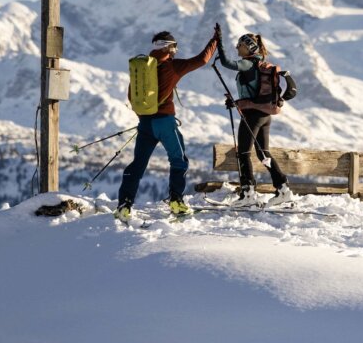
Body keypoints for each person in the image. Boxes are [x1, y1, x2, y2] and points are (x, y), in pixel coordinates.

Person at [115, 26, 220, 222]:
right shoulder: (172, 66)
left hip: (145, 124)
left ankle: (124, 205)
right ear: (169, 47)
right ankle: (176, 203)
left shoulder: (141, 68)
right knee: (179, 161)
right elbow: (202, 60)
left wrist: (146, 118)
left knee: (138, 164)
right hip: (165, 123)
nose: (175, 52)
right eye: (175, 48)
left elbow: (133, 96)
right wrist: (215, 40)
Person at [218, 32, 295, 208]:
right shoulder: (259, 64)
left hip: (252, 116)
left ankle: (247, 193)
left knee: (243, 153)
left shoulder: (248, 63)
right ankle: (283, 190)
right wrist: (236, 102)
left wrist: (219, 43)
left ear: (250, 47)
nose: (237, 47)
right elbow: (252, 93)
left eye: (240, 45)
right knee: (263, 153)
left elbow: (226, 63)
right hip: (264, 116)